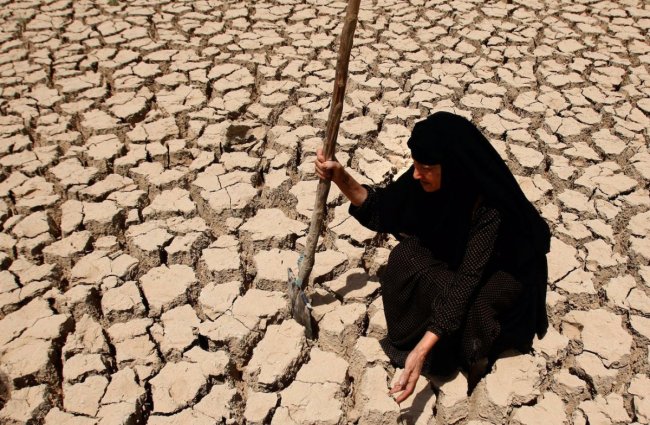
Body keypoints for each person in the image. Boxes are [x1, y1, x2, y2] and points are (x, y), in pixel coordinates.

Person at [315, 111, 551, 403]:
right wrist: (340, 177)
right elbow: (385, 209)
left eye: (425, 167)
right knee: (405, 257)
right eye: (415, 164)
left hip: (504, 269)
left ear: (451, 167)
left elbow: (468, 279)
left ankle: (469, 352)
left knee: (474, 310)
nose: (416, 174)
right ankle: (435, 336)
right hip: (460, 258)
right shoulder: (428, 178)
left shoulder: (489, 207)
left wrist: (422, 349)